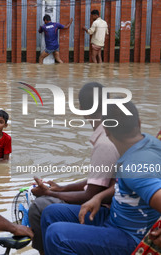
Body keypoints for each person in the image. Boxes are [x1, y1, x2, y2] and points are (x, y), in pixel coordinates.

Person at [38, 101, 161, 255]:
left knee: (57, 235)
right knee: (51, 213)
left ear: (107, 131)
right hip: (115, 217)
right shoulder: (146, 142)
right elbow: (129, 187)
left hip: (129, 236)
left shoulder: (135, 167)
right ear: (139, 123)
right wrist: (99, 197)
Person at [28, 82, 119, 254]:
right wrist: (63, 187)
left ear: (83, 109)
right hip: (108, 203)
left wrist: (49, 193)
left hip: (106, 211)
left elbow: (91, 194)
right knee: (48, 208)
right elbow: (100, 180)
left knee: (39, 207)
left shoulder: (104, 143)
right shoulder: (111, 132)